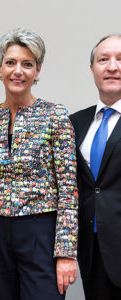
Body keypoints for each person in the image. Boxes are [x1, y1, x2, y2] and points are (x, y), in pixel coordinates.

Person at [0, 27, 78, 300]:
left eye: (27, 64)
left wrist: (66, 252)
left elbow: (68, 189)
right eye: (11, 62)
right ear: (0, 67)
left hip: (40, 231)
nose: (18, 71)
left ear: (37, 70)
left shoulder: (55, 116)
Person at [69, 34, 121, 300]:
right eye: (103, 60)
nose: (112, 67)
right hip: (92, 250)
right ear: (92, 70)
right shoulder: (74, 123)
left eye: (120, 59)